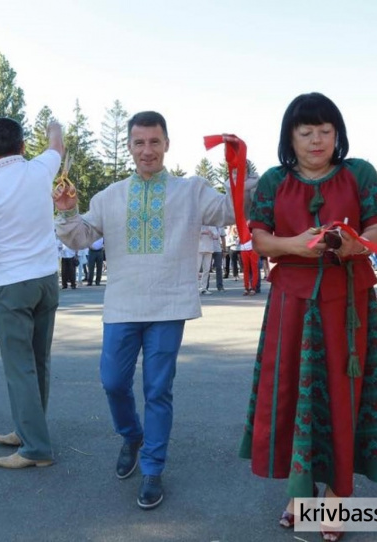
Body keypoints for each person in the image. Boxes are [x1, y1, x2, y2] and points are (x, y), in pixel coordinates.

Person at [238, 93, 377, 541]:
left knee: (342, 391)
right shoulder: (274, 181)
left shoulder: (360, 173)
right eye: (306, 131)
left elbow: (376, 227)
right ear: (289, 137)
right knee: (293, 393)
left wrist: (356, 243)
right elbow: (261, 241)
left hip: (347, 302)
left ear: (339, 134)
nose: (317, 140)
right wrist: (299, 244)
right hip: (291, 303)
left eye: (326, 131)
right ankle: (300, 493)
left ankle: (336, 497)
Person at [55, 111, 245, 510]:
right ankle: (131, 435)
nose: (147, 150)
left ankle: (153, 469)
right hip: (122, 304)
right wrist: (68, 210)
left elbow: (231, 211)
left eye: (154, 142)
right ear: (129, 146)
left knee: (158, 389)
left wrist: (237, 168)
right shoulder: (108, 197)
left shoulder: (191, 190)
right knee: (112, 382)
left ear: (167, 144)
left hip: (168, 303)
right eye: (139, 143)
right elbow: (78, 238)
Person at [0, 117, 63, 469]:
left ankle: (35, 448)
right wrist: (54, 126)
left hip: (11, 283)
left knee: (19, 366)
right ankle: (29, 429)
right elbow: (56, 146)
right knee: (39, 361)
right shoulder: (40, 169)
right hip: (46, 279)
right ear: (22, 146)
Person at [197, 226, 214, 294]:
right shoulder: (198, 224)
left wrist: (211, 233)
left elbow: (216, 236)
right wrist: (203, 232)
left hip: (209, 249)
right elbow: (192, 234)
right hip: (199, 249)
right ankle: (195, 287)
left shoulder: (212, 225)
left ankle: (203, 288)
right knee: (196, 269)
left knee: (206, 270)